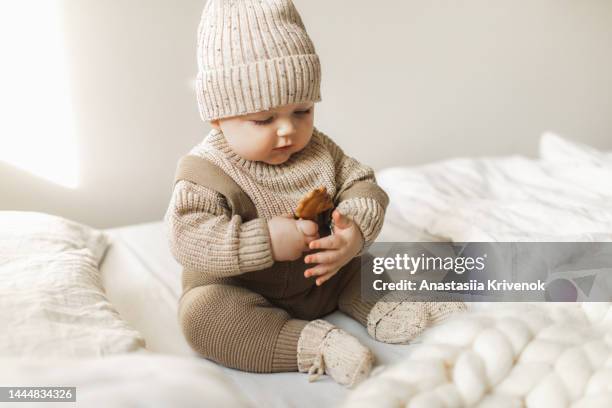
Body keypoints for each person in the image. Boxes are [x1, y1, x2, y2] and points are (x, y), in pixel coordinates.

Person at [165, 0, 465, 388]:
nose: (287, 130)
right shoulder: (205, 171)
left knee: (360, 268)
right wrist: (263, 241)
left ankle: (394, 311)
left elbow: (364, 184)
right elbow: (186, 236)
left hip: (325, 275)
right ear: (218, 116)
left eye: (302, 111)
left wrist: (352, 231)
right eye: (263, 119)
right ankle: (309, 344)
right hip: (242, 286)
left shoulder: (320, 151)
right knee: (203, 317)